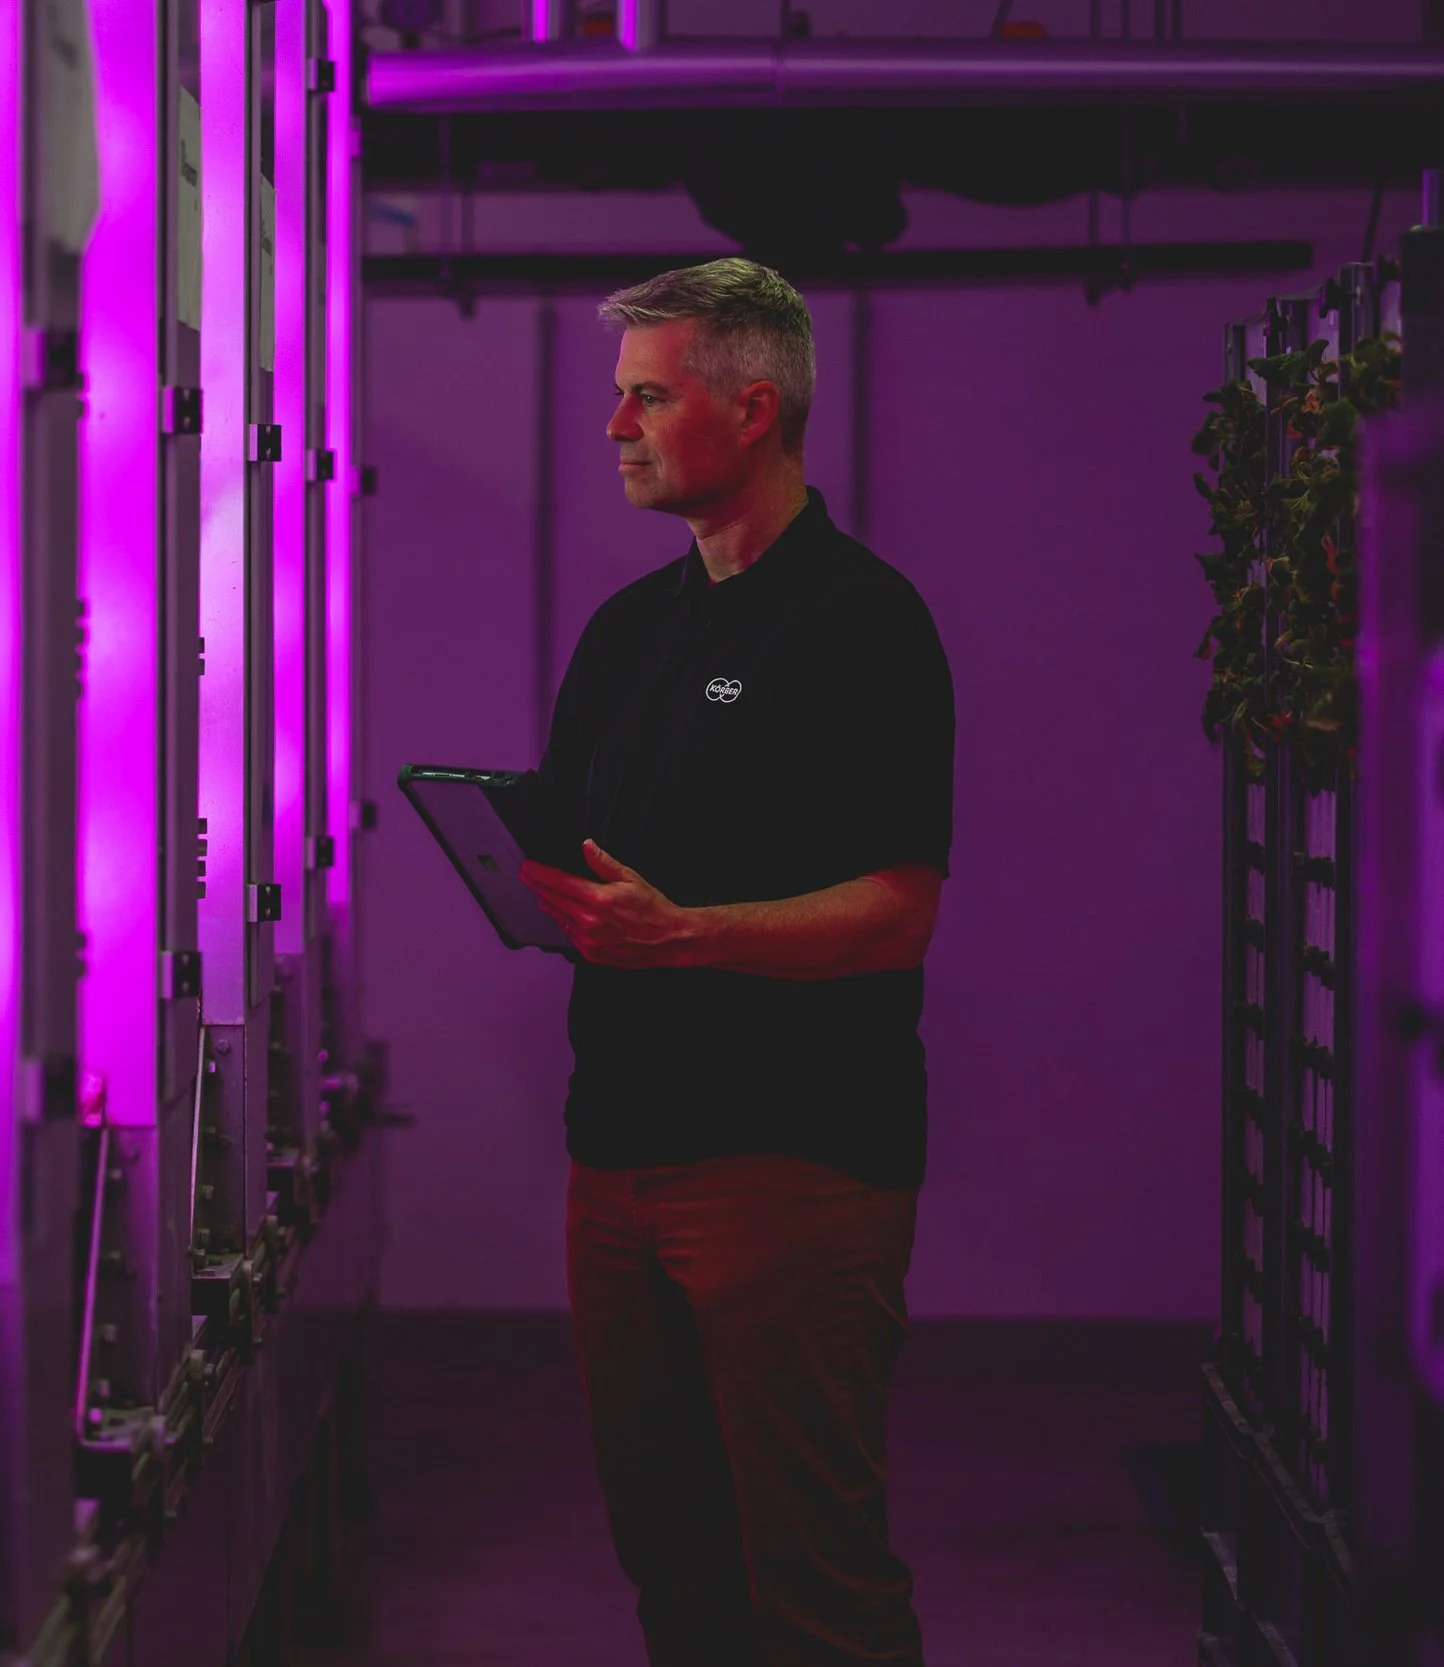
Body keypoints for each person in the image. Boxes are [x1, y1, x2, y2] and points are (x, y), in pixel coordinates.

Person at [516, 258, 955, 1666]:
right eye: (619, 396)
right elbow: (582, 847)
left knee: (815, 1581)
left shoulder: (863, 623)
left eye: (649, 395)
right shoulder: (631, 630)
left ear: (752, 408)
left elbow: (897, 909)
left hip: (792, 1169)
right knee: (679, 1576)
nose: (616, 427)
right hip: (619, 1161)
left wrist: (686, 934)